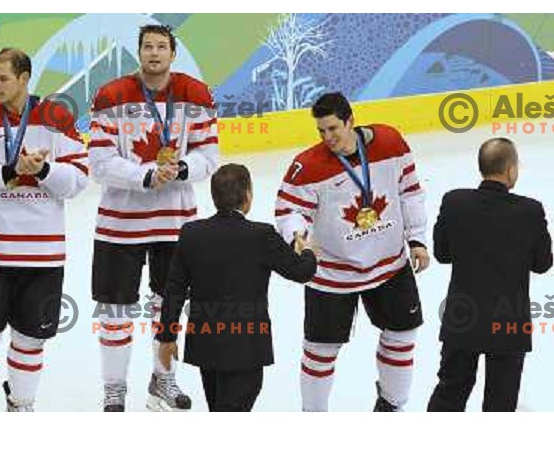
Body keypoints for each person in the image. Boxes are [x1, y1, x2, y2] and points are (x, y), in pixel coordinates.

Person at [89, 24, 219, 412]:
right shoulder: (111, 95)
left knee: (170, 309)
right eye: (147, 46)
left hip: (175, 225)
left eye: (162, 46)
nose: (154, 53)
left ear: (172, 53)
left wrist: (179, 169)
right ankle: (115, 389)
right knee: (115, 313)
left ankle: (163, 380)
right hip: (119, 226)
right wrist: (145, 174)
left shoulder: (195, 94)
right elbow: (98, 162)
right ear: (139, 52)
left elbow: (209, 155)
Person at [275, 92, 429, 412]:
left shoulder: (391, 142)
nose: (327, 137)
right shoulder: (307, 165)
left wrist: (417, 239)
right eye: (321, 131)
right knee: (320, 350)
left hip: (389, 265)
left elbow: (410, 191)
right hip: (333, 273)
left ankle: (392, 405)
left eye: (333, 128)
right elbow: (288, 211)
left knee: (402, 334)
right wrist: (297, 236)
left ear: (350, 121)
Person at [0, 48, 88, 412]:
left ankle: (21, 405)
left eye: (3, 78)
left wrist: (42, 171)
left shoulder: (56, 116)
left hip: (41, 257)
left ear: (25, 78)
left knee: (31, 341)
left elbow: (78, 180)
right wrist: (9, 171)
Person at [156, 164, 317, 412]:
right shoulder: (261, 235)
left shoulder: (192, 233)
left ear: (214, 197)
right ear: (248, 196)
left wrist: (167, 337)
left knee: (219, 407)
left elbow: (174, 289)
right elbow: (302, 271)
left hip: (206, 344)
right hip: (247, 346)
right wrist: (306, 249)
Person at [428, 138, 553, 412]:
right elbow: (543, 264)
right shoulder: (531, 210)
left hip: (462, 318)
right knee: (501, 401)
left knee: (450, 392)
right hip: (509, 322)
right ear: (510, 170)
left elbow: (442, 254)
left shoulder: (454, 201)